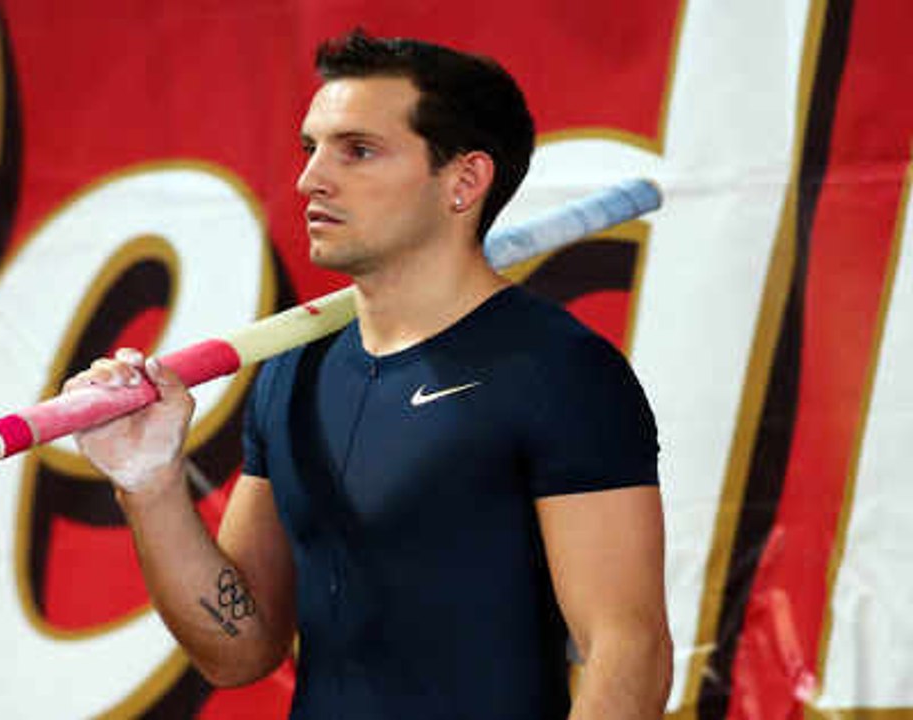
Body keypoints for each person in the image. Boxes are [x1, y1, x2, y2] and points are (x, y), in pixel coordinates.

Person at [62, 30, 672, 719]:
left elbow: (629, 649)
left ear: (464, 181)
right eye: (310, 148)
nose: (311, 179)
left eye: (358, 150)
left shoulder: (559, 372)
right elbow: (238, 650)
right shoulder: (292, 370)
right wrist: (150, 486)